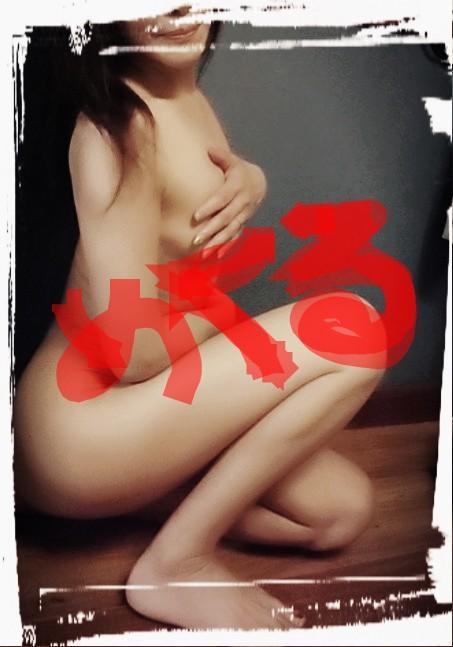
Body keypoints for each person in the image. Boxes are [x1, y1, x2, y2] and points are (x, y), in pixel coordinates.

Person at [13, 5, 385, 630]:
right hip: (77, 426)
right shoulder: (118, 125)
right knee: (353, 331)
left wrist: (253, 179)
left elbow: (179, 226)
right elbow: (129, 350)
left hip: (143, 413)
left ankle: (129, 501)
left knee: (341, 511)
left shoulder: (186, 100)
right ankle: (176, 561)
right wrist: (226, 331)